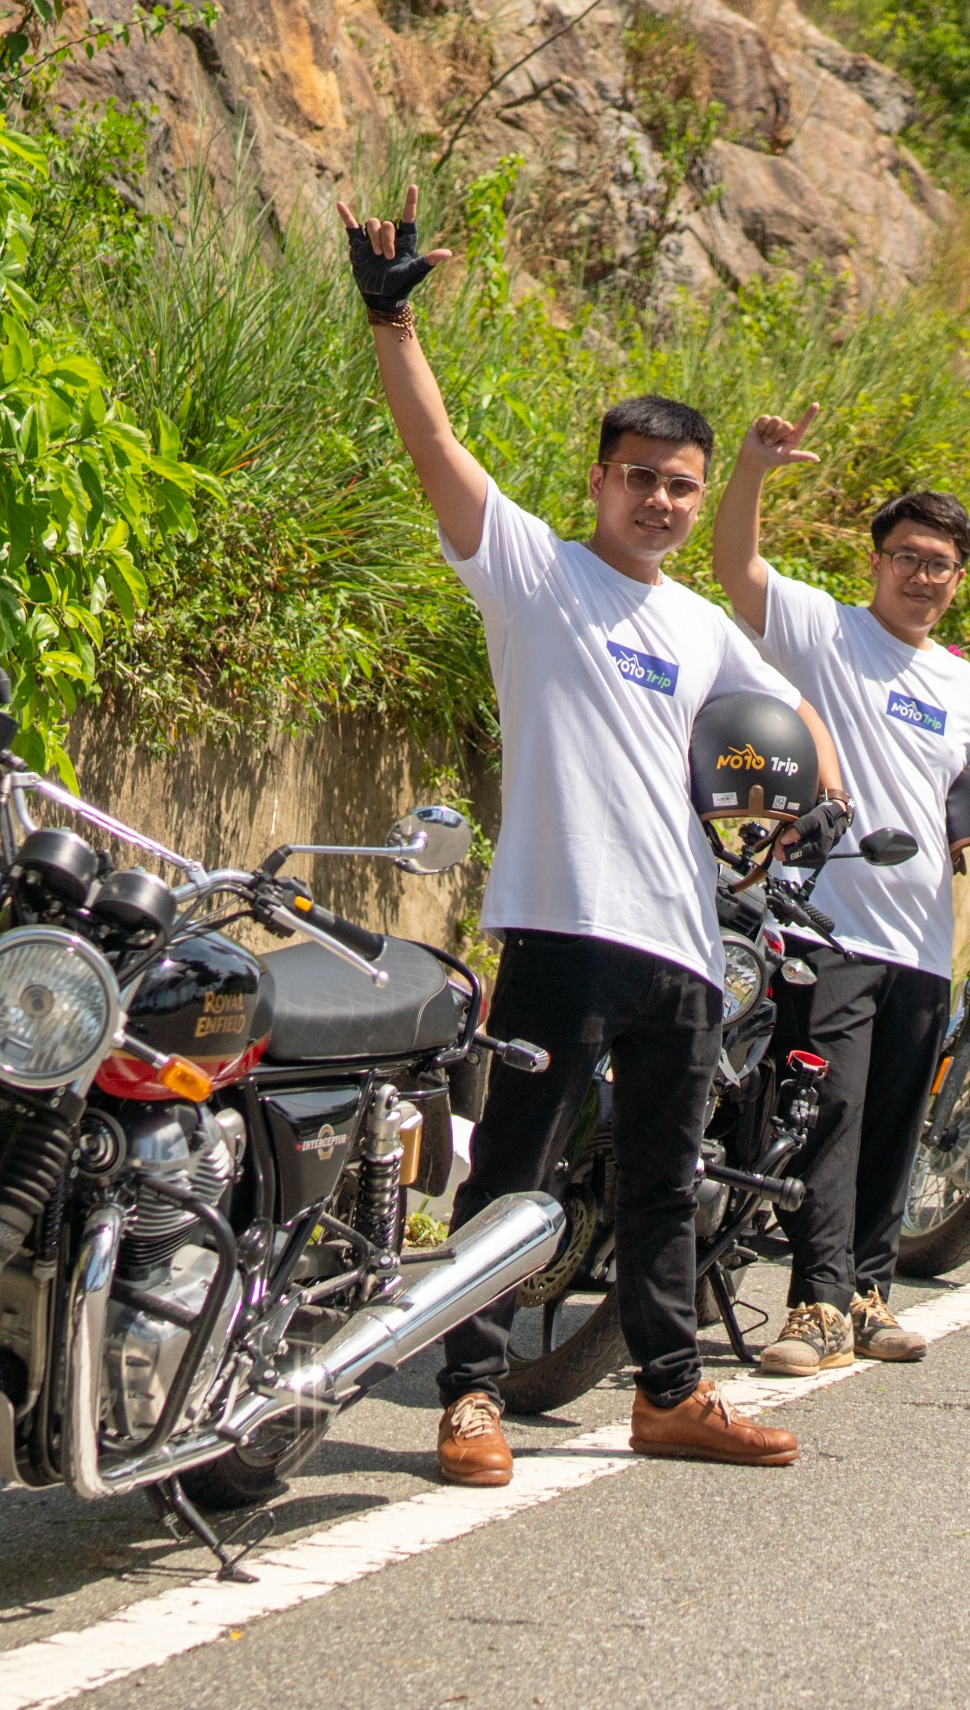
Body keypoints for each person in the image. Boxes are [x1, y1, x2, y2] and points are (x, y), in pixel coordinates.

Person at [339, 185, 848, 1485]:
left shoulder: (696, 622)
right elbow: (437, 451)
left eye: (682, 485)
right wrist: (393, 328)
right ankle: (468, 1395)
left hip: (682, 940)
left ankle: (668, 1391)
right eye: (643, 480)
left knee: (662, 1186)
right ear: (599, 482)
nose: (666, 503)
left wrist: (822, 790)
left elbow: (792, 708)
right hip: (561, 929)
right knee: (514, 1175)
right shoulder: (536, 574)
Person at [711, 407, 970, 1375]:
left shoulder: (965, 686)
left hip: (920, 940)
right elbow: (736, 567)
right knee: (825, 1116)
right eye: (907, 555)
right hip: (823, 922)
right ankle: (814, 1307)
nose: (922, 575)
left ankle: (867, 1294)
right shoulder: (826, 632)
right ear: (876, 562)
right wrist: (750, 470)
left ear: (959, 579)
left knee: (893, 1123)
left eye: (940, 563)